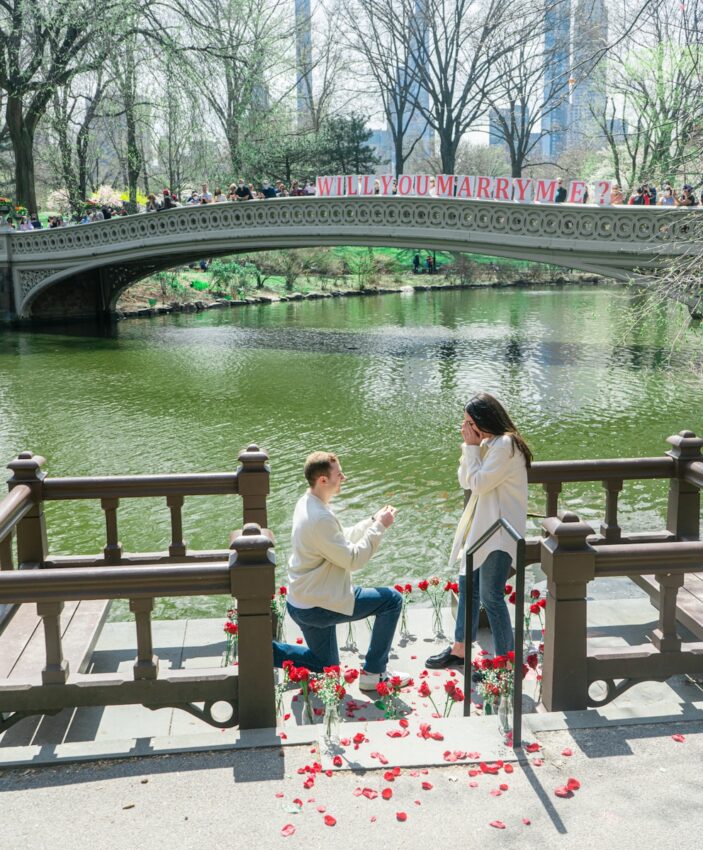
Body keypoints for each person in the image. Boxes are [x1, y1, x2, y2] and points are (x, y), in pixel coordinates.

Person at [272, 451, 410, 690]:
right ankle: (374, 674)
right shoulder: (318, 517)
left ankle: (263, 652)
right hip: (319, 605)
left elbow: (338, 540)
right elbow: (353, 559)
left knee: (327, 666)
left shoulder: (308, 502)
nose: (343, 477)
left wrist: (370, 521)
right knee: (392, 601)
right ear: (323, 480)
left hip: (303, 600)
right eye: (339, 474)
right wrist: (380, 527)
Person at [425, 393, 530, 669]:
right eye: (466, 423)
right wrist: (470, 448)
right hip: (483, 529)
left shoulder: (505, 445)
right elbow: (466, 480)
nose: (467, 428)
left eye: (471, 422)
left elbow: (480, 484)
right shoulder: (488, 444)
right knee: (467, 586)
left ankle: (506, 663)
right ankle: (460, 649)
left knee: (491, 596)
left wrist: (472, 447)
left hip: (499, 533)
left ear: (485, 419)